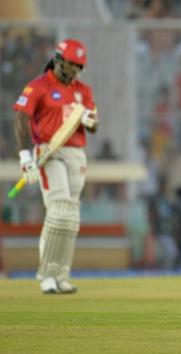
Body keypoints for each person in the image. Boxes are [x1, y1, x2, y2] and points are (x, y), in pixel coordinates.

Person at [13, 38, 98, 294]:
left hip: (76, 154)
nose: (74, 70)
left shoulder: (84, 90)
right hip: (49, 152)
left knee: (70, 217)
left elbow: (94, 127)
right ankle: (47, 275)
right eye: (71, 64)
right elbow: (21, 117)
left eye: (79, 66)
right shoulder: (39, 86)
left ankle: (61, 275)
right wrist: (24, 155)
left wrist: (87, 119)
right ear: (59, 60)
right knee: (59, 209)